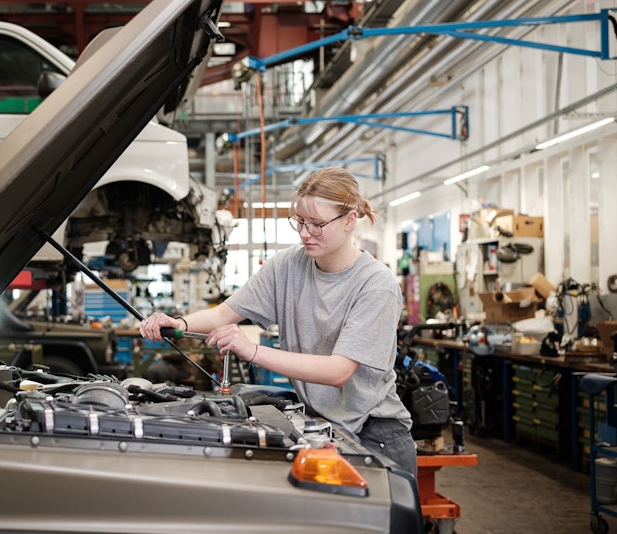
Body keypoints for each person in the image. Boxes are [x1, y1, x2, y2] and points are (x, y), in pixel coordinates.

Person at [139, 166, 416, 476]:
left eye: (317, 224)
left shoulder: (375, 283)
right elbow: (222, 314)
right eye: (299, 221)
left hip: (375, 435)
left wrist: (252, 350)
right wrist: (178, 323)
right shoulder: (287, 265)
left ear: (350, 220)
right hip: (321, 425)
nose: (305, 233)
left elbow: (338, 371)